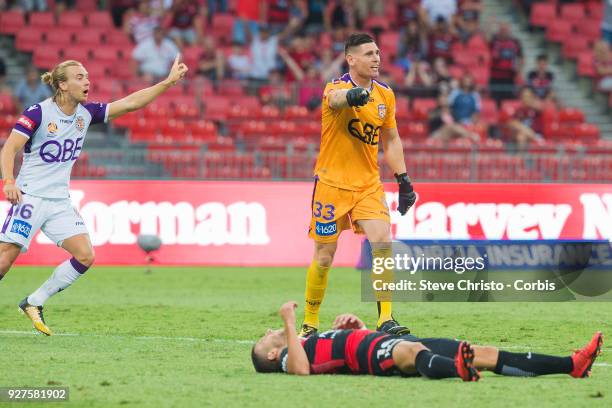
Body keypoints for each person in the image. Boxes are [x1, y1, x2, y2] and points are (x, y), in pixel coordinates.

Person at [0, 56, 188, 336]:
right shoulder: (38, 113)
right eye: (79, 77)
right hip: (29, 197)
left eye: (87, 75)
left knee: (85, 256)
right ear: (62, 85)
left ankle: (34, 302)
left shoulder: (87, 113)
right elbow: (9, 148)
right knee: (5, 259)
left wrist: (167, 82)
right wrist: (9, 181)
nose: (86, 81)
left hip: (59, 201)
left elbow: (132, 103)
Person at [299, 33, 417, 339]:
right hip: (331, 184)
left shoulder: (385, 95)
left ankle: (386, 319)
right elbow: (335, 100)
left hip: (367, 185)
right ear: (351, 59)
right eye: (368, 53)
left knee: (382, 242)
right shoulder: (337, 86)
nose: (376, 58)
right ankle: (310, 321)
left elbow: (391, 139)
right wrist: (352, 98)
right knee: (325, 256)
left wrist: (403, 180)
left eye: (377, 52)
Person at [252, 301, 603, 380]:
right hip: (374, 357)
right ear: (271, 356)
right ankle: (456, 370)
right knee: (411, 350)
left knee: (486, 352)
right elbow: (301, 371)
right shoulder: (288, 359)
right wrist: (288, 320)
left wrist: (354, 327)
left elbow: (338, 348)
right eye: (266, 339)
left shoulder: (303, 344)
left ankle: (572, 364)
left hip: (371, 342)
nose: (269, 333)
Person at [489, 22, 523, 104]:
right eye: (502, 30)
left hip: (509, 77)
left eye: (505, 30)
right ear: (499, 31)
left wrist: (519, 69)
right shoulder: (494, 40)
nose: (504, 32)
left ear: (509, 31)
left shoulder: (515, 42)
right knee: (495, 100)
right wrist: (490, 26)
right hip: (495, 76)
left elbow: (521, 57)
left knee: (509, 100)